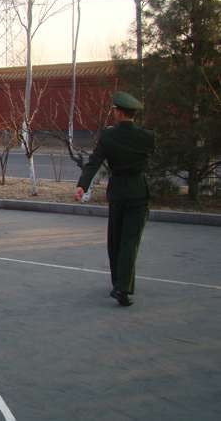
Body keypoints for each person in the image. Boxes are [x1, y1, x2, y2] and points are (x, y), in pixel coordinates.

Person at [74, 91, 155, 307]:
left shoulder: (108, 136)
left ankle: (118, 283)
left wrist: (82, 185)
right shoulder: (147, 137)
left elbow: (94, 162)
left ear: (119, 113)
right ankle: (123, 286)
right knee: (130, 241)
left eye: (115, 110)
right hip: (138, 191)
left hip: (118, 191)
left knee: (116, 240)